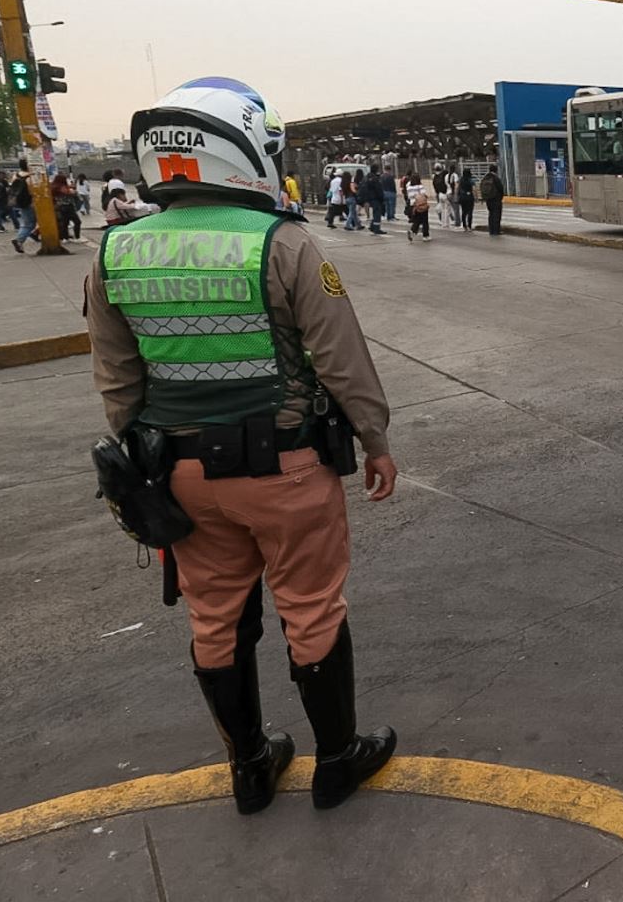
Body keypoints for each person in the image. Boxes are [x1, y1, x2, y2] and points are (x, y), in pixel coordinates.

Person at [84, 77, 399, 815]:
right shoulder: (282, 242)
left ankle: (251, 768)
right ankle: (337, 762)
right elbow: (341, 359)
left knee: (215, 619)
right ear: (241, 147)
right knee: (311, 609)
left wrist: (137, 462)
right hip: (285, 472)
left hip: (181, 478)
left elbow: (118, 381)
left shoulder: (117, 251)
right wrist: (376, 440)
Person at [9, 161, 39, 253]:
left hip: (20, 202)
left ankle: (30, 236)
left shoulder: (16, 175)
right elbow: (33, 191)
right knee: (30, 224)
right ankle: (19, 240)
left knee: (27, 222)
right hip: (31, 202)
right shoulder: (30, 177)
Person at [357, 168, 388, 236]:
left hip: (369, 198)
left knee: (375, 213)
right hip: (376, 198)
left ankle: (372, 226)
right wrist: (382, 198)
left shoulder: (366, 178)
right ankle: (376, 228)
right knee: (377, 213)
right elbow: (378, 189)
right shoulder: (375, 179)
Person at [52, 172, 81, 240]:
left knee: (65, 223)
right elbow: (71, 193)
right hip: (68, 206)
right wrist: (73, 190)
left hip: (60, 207)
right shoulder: (62, 187)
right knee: (77, 221)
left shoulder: (54, 187)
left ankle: (65, 238)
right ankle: (77, 237)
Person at [404, 173, 431, 242]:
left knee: (417, 220)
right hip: (421, 204)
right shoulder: (420, 186)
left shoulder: (409, 187)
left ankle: (412, 230)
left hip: (414, 205)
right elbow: (423, 194)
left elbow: (409, 196)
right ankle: (426, 235)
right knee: (425, 220)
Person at [479, 168, 503, 235]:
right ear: (496, 170)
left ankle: (491, 230)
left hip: (488, 199)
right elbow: (500, 188)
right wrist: (500, 197)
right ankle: (496, 231)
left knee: (491, 215)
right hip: (496, 199)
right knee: (496, 215)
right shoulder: (495, 178)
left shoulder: (485, 177)